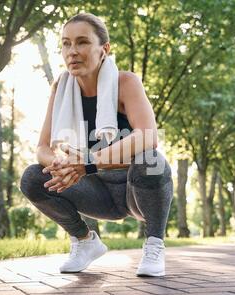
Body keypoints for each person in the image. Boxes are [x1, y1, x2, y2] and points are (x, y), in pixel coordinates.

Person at [20, 13, 173, 277]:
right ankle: (85, 241)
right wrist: (61, 164)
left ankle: (154, 244)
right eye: (66, 44)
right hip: (96, 193)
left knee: (151, 160)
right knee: (34, 177)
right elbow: (42, 148)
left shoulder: (126, 82)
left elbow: (148, 136)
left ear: (104, 49)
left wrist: (87, 163)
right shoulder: (61, 88)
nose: (72, 51)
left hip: (134, 190)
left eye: (82, 42)